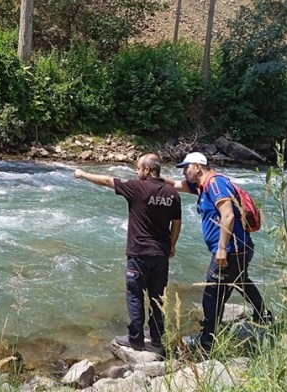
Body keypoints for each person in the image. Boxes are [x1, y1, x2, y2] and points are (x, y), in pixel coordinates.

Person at [74, 153, 181, 355]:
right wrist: (172, 245)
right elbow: (176, 223)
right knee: (158, 297)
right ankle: (157, 340)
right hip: (160, 254)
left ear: (148, 170)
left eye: (139, 168)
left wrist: (82, 174)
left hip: (139, 253)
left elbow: (106, 181)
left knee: (134, 295)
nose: (136, 171)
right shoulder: (172, 193)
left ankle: (136, 340)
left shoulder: (136, 187)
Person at [165, 152, 270, 352]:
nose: (184, 172)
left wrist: (222, 248)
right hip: (240, 248)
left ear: (197, 166)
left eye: (186, 168)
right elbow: (175, 185)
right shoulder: (202, 186)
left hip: (232, 250)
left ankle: (207, 341)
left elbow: (228, 215)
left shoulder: (215, 184)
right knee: (241, 281)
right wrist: (153, 177)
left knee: (212, 293)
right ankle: (263, 315)